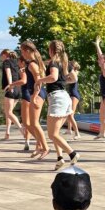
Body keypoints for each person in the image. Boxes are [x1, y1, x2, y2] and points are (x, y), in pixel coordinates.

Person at [35, 40, 80, 170]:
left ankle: (72, 153)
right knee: (56, 133)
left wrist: (40, 80)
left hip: (57, 98)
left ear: (51, 50)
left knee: (52, 134)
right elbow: (74, 79)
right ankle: (60, 158)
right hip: (64, 97)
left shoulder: (54, 63)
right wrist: (64, 80)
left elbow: (53, 77)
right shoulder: (64, 63)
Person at [20, 41, 50, 159]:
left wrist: (35, 96)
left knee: (35, 123)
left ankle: (45, 147)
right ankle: (40, 146)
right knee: (31, 123)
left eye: (22, 51)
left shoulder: (32, 64)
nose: (22, 53)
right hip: (35, 93)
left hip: (37, 94)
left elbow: (39, 81)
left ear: (27, 51)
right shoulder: (32, 64)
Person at [7, 55, 32, 151]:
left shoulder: (24, 70)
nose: (17, 63)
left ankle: (32, 141)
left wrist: (12, 84)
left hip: (27, 95)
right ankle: (28, 141)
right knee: (29, 121)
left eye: (19, 62)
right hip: (32, 94)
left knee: (27, 122)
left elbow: (24, 81)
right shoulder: (31, 69)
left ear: (22, 62)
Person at [0, 49, 24, 140]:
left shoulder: (6, 61)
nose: (1, 59)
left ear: (4, 55)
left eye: (1, 56)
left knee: (8, 112)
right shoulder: (17, 62)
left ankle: (22, 130)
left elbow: (8, 73)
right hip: (18, 88)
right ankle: (7, 133)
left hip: (11, 88)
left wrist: (10, 85)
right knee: (8, 112)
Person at [93, 37, 105, 142]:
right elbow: (101, 58)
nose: (98, 61)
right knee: (102, 116)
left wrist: (97, 45)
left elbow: (101, 57)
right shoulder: (104, 70)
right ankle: (102, 133)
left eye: (100, 60)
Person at [65, 60, 82, 140]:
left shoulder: (74, 73)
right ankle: (69, 129)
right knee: (69, 113)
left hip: (74, 95)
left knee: (71, 115)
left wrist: (65, 81)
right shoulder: (73, 73)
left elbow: (72, 80)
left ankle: (77, 133)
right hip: (72, 95)